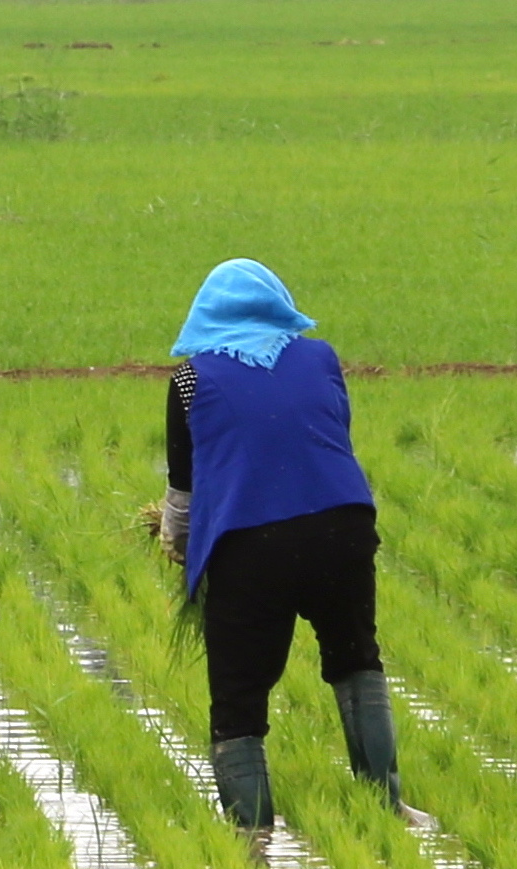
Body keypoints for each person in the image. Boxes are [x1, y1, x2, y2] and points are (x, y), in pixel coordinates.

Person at [158, 258, 430, 830]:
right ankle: (387, 802)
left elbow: (184, 488)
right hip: (342, 527)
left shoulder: (189, 380)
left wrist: (177, 542)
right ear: (278, 302)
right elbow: (330, 438)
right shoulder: (321, 357)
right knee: (356, 655)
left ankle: (251, 831)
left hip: (250, 543)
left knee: (238, 690)